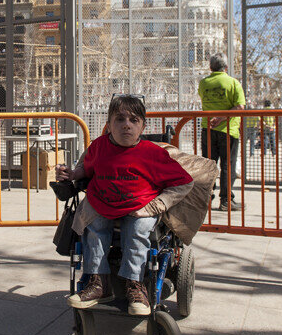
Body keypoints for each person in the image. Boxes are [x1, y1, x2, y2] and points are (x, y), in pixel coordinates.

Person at [55, 95, 194, 315]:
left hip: (140, 206)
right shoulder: (99, 146)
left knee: (137, 230)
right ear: (109, 124)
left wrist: (159, 205)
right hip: (102, 203)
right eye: (119, 119)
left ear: (142, 126)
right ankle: (98, 283)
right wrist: (72, 173)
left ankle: (135, 285)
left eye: (133, 120)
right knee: (94, 227)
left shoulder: (153, 153)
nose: (126, 124)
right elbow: (86, 169)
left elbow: (184, 182)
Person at [198, 53, 245, 211]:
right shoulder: (233, 83)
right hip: (228, 130)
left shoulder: (203, 83)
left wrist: (215, 117)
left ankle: (206, 198)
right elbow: (240, 107)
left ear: (210, 67)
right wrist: (222, 118)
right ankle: (226, 200)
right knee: (227, 165)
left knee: (209, 165)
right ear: (226, 67)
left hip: (207, 129)